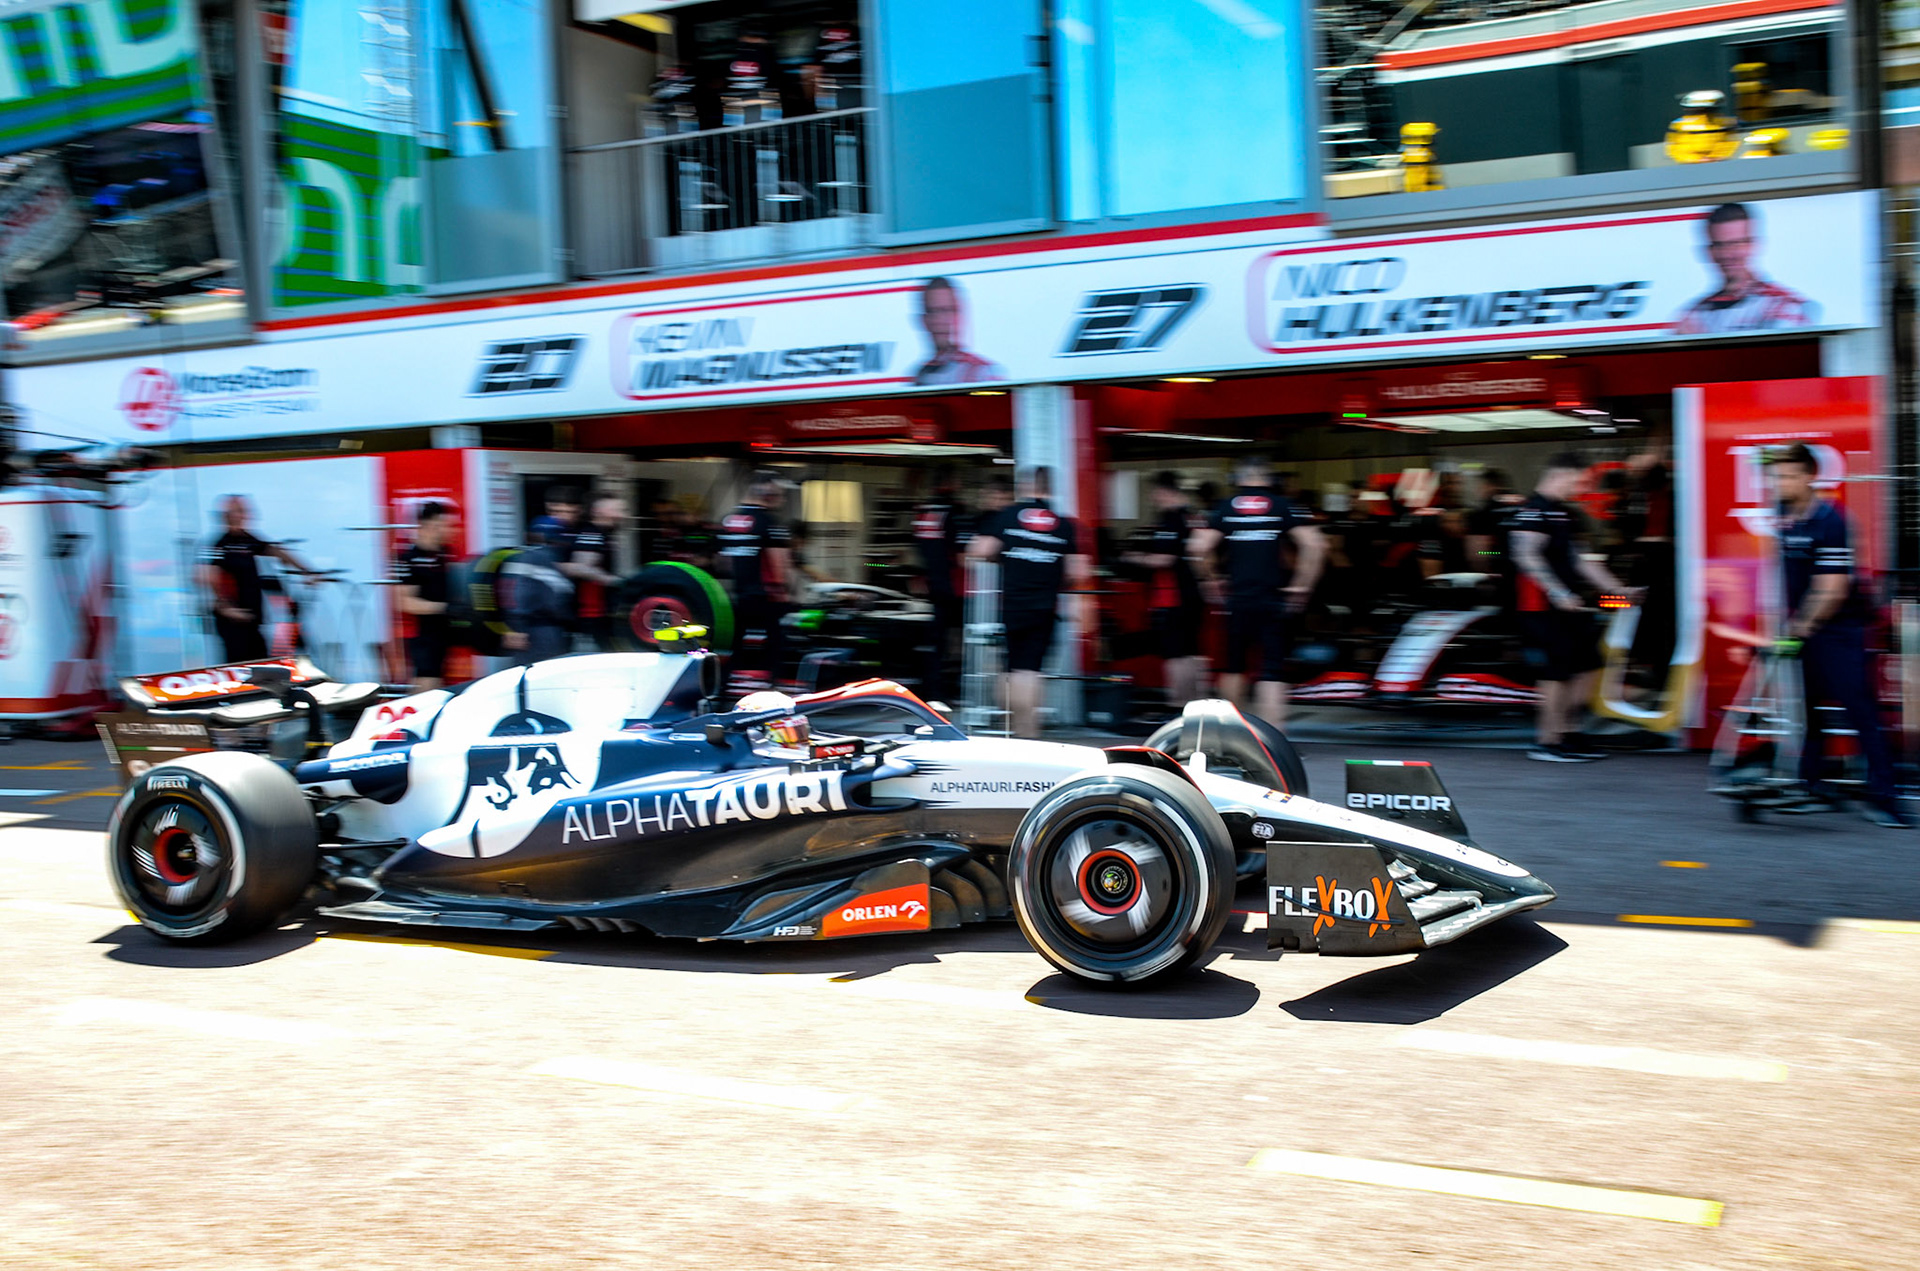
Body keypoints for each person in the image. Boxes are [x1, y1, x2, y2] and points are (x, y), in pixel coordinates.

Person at [1766, 444, 1907, 827]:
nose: (1781, 483)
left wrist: (1800, 628)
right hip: (1805, 629)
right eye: (1777, 476)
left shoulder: (1832, 520)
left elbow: (1831, 589)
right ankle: (1812, 786)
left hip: (1841, 630)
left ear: (1811, 476)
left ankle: (1886, 799)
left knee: (1861, 712)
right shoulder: (1782, 514)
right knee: (1808, 713)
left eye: (1790, 476)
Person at [1509, 453, 1640, 762]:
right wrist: (1556, 591)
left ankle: (1569, 734)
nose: (1580, 488)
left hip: (1569, 607)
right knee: (1557, 674)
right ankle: (1548, 741)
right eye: (1578, 481)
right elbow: (1525, 555)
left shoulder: (1562, 514)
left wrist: (1617, 589)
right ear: (1560, 475)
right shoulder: (1531, 512)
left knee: (1587, 668)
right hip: (1540, 608)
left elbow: (1580, 560)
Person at [1188, 456, 1327, 729]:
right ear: (1268, 478)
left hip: (1237, 600)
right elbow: (1316, 545)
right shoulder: (1283, 505)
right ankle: (1274, 742)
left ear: (1239, 478)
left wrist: (1209, 580)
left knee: (1234, 666)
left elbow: (1197, 548)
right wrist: (1301, 585)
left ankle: (1232, 736)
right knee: (1272, 670)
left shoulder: (1225, 507)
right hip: (1273, 598)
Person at [967, 467, 1090, 738]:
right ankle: (1028, 734)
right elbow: (1078, 572)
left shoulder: (1007, 516)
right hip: (1044, 606)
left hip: (1012, 604)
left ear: (1025, 486)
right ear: (1051, 488)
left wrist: (1006, 557)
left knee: (1009, 668)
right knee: (1030, 670)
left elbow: (979, 551)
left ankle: (1006, 727)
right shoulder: (1065, 524)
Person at [198, 494, 319, 663]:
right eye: (237, 511)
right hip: (233, 620)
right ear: (226, 516)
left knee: (262, 661)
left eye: (243, 511)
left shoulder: (248, 540)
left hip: (252, 619)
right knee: (241, 664)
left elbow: (277, 552)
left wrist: (308, 571)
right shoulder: (220, 544)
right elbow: (205, 575)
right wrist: (225, 606)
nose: (242, 515)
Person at [1120, 472, 1205, 708]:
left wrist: (1135, 557)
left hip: (1173, 597)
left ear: (1166, 492)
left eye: (1154, 493)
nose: (1153, 498)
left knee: (1175, 655)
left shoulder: (1171, 520)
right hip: (1193, 595)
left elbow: (1164, 560)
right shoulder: (1193, 516)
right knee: (1189, 653)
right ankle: (1194, 704)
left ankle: (1178, 705)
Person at [1674, 202, 1818, 335]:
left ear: (1754, 245)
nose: (1727, 254)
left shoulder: (1785, 305)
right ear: (1708, 252)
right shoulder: (1694, 313)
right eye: (1719, 245)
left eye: (1736, 244)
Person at [718, 471, 793, 685]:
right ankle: (773, 689)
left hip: (738, 596)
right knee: (777, 643)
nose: (782, 499)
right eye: (779, 494)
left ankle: (724, 687)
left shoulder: (729, 520)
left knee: (736, 645)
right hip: (766, 597)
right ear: (765, 492)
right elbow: (779, 561)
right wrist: (783, 593)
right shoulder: (769, 522)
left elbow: (722, 563)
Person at [912, 468, 964, 701]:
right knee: (958, 641)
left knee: (934, 643)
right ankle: (950, 690)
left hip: (931, 586)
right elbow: (962, 555)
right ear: (951, 483)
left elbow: (916, 549)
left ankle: (931, 689)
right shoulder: (955, 511)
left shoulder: (922, 512)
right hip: (954, 588)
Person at [394, 501, 456, 690]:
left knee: (439, 687)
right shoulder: (407, 559)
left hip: (444, 635)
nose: (443, 530)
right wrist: (444, 607)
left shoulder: (445, 553)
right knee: (426, 687)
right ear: (424, 526)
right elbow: (405, 602)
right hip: (422, 636)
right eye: (438, 526)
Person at [912, 277, 1007, 386]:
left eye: (947, 310)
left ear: (960, 316)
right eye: (932, 312)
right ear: (924, 320)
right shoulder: (921, 375)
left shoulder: (981, 371)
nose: (940, 320)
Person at [564, 493, 626, 652]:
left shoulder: (602, 535)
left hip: (599, 613)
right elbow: (579, 568)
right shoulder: (592, 534)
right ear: (599, 511)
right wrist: (615, 580)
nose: (622, 514)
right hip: (591, 614)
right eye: (617, 510)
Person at [501, 535, 573, 666]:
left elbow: (509, 593)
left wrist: (513, 627)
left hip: (524, 629)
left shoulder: (518, 557)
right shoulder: (545, 558)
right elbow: (558, 599)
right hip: (543, 632)